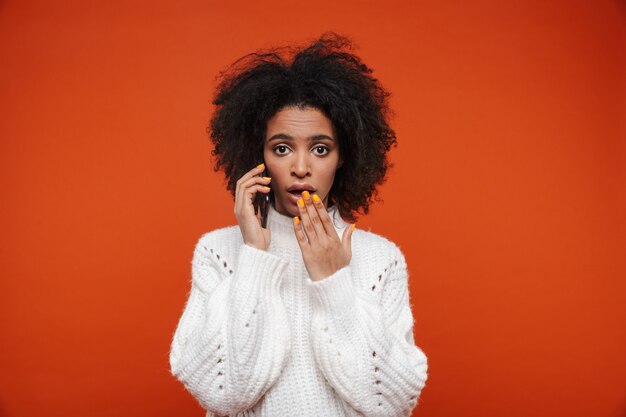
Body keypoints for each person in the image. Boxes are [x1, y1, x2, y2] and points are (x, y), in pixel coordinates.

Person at [169, 32, 428, 417]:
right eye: (282, 148)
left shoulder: (380, 260)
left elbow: (389, 403)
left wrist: (333, 282)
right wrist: (254, 256)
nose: (301, 167)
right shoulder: (218, 253)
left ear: (344, 156)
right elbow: (224, 394)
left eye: (320, 148)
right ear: (258, 154)